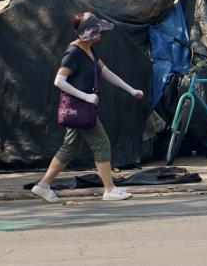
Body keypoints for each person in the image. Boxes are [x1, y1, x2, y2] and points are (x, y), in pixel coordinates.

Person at [31, 12, 145, 204]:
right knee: (102, 143)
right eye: (96, 29)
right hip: (80, 108)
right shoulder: (73, 52)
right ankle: (109, 189)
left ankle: (43, 185)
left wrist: (131, 90)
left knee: (70, 147)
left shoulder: (89, 50)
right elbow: (59, 81)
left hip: (83, 109)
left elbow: (106, 72)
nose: (100, 33)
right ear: (87, 32)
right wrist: (86, 96)